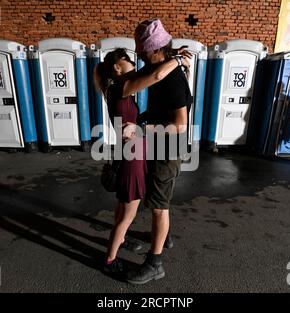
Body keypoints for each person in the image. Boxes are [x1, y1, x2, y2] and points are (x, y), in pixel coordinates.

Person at [93, 47, 190, 275]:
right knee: (127, 214)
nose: (133, 61)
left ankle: (121, 240)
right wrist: (176, 60)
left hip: (131, 152)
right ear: (117, 67)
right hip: (133, 156)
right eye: (127, 59)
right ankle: (109, 260)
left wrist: (170, 56)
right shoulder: (122, 88)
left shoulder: (116, 88)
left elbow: (153, 71)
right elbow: (155, 75)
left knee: (122, 209)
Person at [123, 18, 192, 284]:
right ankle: (164, 238)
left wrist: (141, 129)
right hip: (159, 145)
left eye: (142, 49)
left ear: (155, 49)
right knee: (157, 201)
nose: (139, 54)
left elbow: (179, 125)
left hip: (168, 149)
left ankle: (155, 264)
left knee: (158, 207)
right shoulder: (162, 70)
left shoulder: (171, 78)